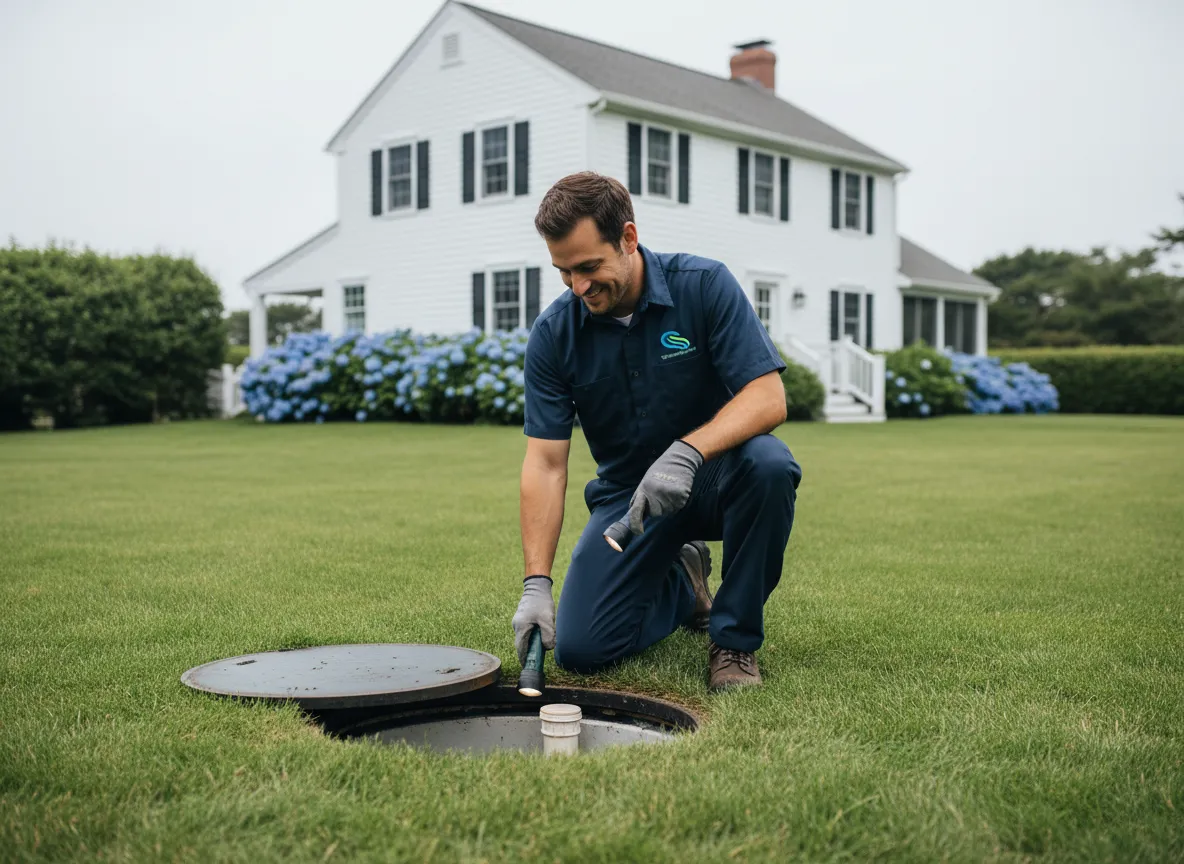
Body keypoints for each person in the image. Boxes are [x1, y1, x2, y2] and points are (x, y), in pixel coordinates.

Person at [511, 172, 802, 690]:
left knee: (770, 465)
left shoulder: (705, 286)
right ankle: (683, 584)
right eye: (563, 273)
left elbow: (767, 396)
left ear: (628, 238)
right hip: (628, 502)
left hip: (716, 475)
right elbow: (547, 463)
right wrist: (536, 583)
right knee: (582, 649)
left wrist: (690, 451)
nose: (579, 287)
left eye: (588, 267)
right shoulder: (555, 335)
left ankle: (732, 642)